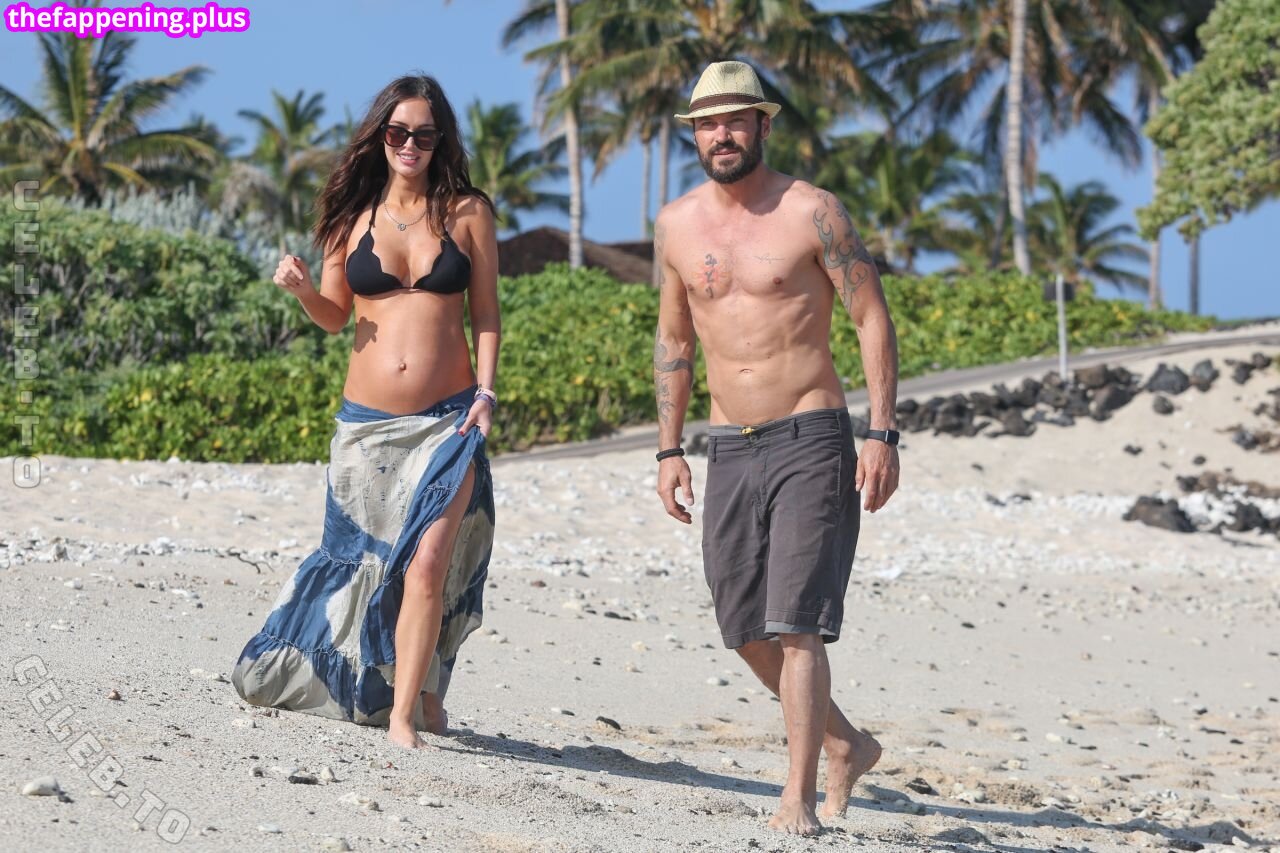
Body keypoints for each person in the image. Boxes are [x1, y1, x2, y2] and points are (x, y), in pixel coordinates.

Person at [652, 61, 901, 836]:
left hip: (811, 435)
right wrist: (668, 448)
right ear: (695, 135)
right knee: (743, 624)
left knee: (798, 623)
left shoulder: (813, 212)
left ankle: (797, 795)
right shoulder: (676, 225)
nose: (721, 135)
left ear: (763, 124)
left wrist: (881, 431)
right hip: (727, 443)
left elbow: (870, 316)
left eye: (735, 120)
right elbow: (674, 339)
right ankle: (846, 742)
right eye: (707, 123)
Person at [231, 74, 501, 751]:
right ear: (380, 136)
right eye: (398, 132)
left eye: (424, 134)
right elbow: (333, 316)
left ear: (441, 141)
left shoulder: (468, 212)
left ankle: (405, 715)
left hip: (448, 419)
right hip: (366, 428)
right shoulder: (349, 218)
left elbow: (487, 315)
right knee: (362, 563)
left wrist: (487, 393)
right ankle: (398, 688)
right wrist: (302, 291)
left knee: (428, 562)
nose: (411, 144)